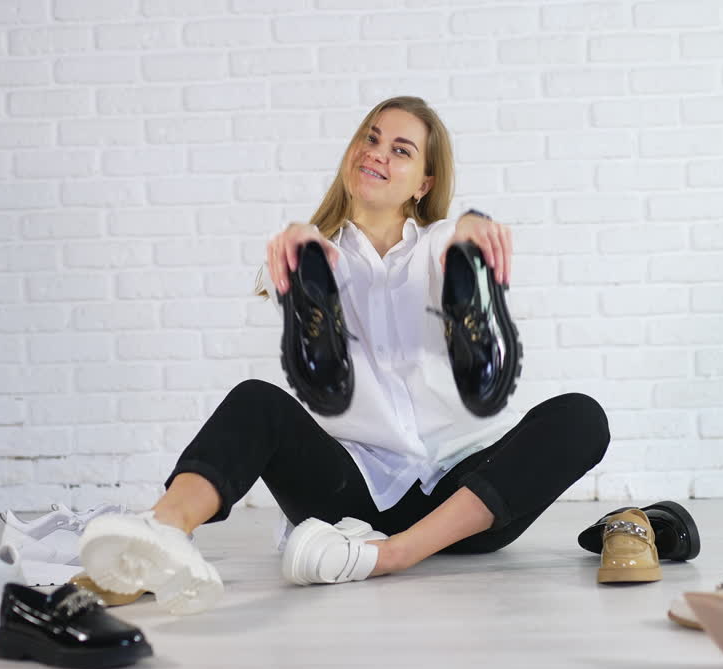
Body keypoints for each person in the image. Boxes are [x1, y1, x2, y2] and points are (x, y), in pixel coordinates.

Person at [79, 97, 610, 614]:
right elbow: (293, 283)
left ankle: (392, 554)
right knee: (256, 401)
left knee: (580, 416)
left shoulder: (435, 244)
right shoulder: (313, 252)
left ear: (424, 184)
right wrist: (302, 250)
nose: (378, 152)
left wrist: (468, 239)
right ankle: (156, 538)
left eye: (401, 150)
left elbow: (454, 247)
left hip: (467, 498)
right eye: (371, 139)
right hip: (352, 493)